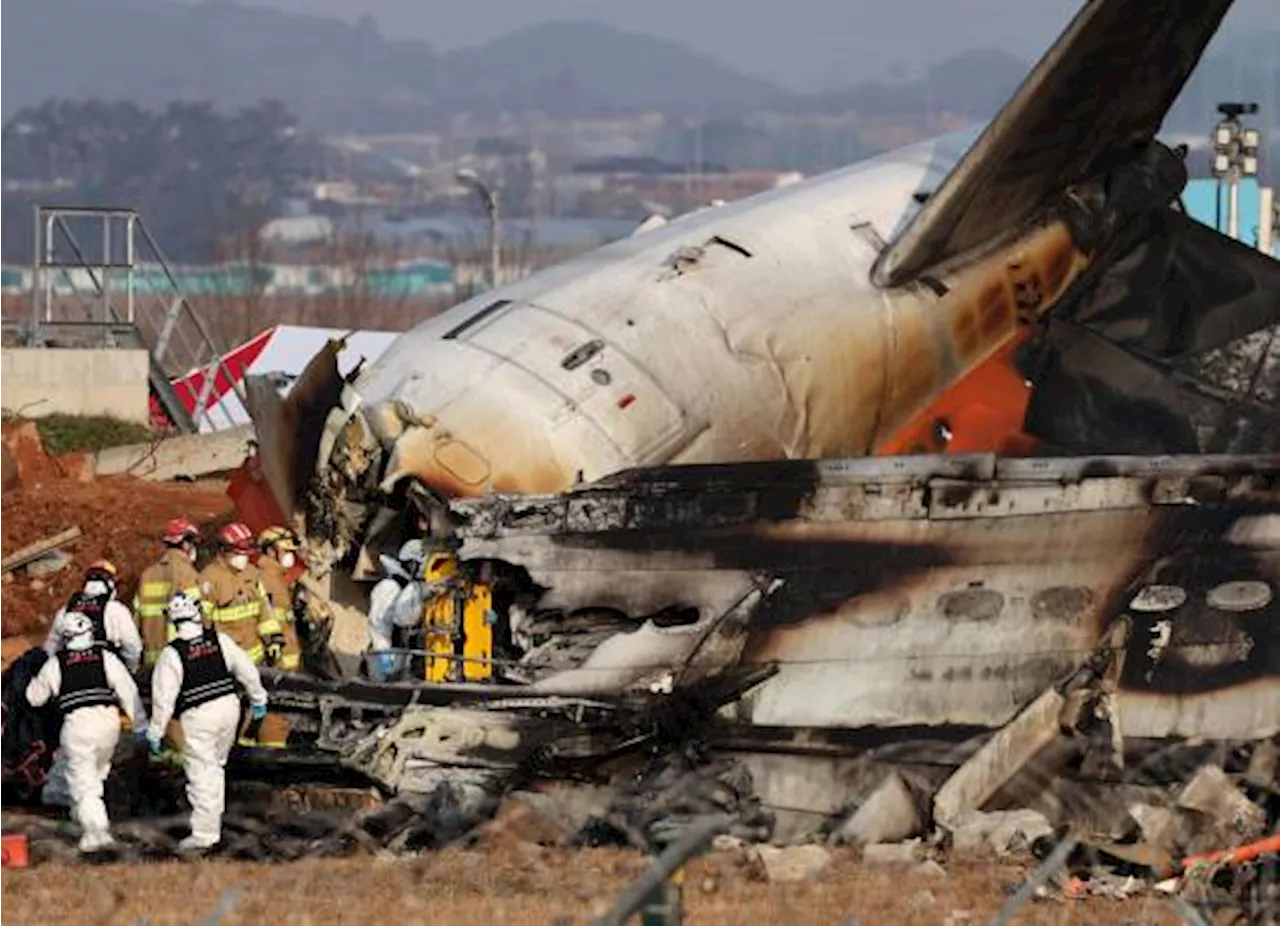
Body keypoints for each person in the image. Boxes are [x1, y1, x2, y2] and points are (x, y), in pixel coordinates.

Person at [146, 592, 267, 852]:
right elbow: (247, 669)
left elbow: (163, 700)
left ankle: (204, 835)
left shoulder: (172, 654)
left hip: (199, 716)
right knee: (216, 768)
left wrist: (155, 733)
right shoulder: (219, 640)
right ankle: (215, 821)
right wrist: (258, 699)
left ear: (173, 622)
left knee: (202, 774)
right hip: (228, 709)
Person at [26, 609, 148, 853]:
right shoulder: (105, 657)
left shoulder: (57, 663)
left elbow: (34, 698)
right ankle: (79, 816)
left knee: (84, 785)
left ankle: (97, 836)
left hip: (78, 726)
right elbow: (128, 691)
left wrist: (33, 677)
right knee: (96, 774)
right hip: (108, 725)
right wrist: (141, 727)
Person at [42, 560, 143, 673]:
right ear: (110, 584)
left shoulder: (65, 610)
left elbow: (51, 647)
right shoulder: (116, 610)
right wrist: (130, 670)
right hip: (107, 675)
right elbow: (133, 647)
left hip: (72, 674)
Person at [134, 518, 204, 669]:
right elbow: (198, 618)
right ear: (186, 544)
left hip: (152, 661)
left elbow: (136, 620)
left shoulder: (147, 576)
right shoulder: (189, 575)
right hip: (182, 661)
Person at [420, 549, 497, 684]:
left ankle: (468, 672)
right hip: (443, 640)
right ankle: (448, 672)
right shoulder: (437, 590)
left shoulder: (481, 593)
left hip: (474, 651)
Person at [366, 539, 427, 681]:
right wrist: (384, 655)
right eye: (416, 565)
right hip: (384, 653)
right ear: (410, 563)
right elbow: (378, 623)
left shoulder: (407, 588)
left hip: (397, 652)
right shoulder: (389, 587)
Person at [255, 526, 303, 672]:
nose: (290, 556)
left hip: (288, 659)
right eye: (286, 551)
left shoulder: (278, 578)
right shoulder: (265, 579)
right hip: (278, 664)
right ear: (270, 551)